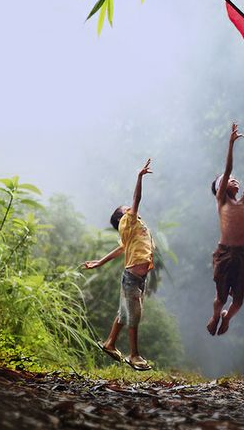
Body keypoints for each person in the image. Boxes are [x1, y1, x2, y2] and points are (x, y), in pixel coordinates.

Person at [83, 159, 155, 371]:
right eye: (127, 209)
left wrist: (99, 262)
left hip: (137, 278)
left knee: (124, 314)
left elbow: (120, 249)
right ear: (123, 216)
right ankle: (134, 355)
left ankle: (110, 343)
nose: (132, 209)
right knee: (134, 315)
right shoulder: (129, 221)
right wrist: (139, 177)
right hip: (132, 278)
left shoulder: (131, 230)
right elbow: (137, 198)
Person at [206, 122, 244, 336]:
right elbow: (228, 170)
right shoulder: (222, 202)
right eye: (229, 180)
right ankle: (217, 314)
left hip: (243, 253)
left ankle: (227, 316)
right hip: (225, 252)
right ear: (222, 187)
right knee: (221, 298)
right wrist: (231, 144)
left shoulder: (243, 201)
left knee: (238, 301)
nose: (234, 180)